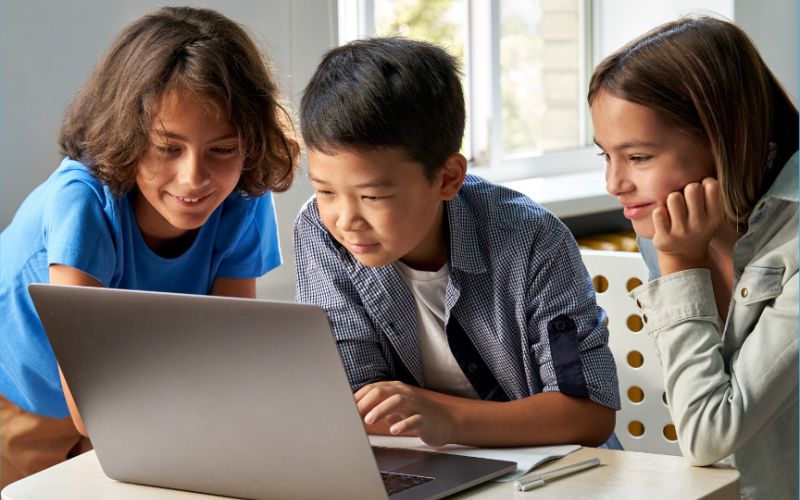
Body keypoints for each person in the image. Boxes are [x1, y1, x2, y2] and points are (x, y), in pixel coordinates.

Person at [0, 6, 299, 486]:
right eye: (167, 147)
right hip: (23, 391)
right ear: (127, 133)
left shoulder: (243, 196)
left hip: (131, 384)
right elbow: (92, 408)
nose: (195, 178)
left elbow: (227, 350)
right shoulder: (83, 203)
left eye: (222, 150)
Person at [294, 37, 619, 448]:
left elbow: (588, 415)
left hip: (554, 471)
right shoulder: (319, 230)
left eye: (372, 197)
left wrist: (446, 418)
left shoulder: (532, 239)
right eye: (325, 191)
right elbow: (355, 404)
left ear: (448, 178)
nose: (345, 219)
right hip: (419, 466)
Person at [589, 15, 798, 499]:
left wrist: (681, 263)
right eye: (606, 155)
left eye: (638, 158)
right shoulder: (667, 228)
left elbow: (708, 433)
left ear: (724, 138)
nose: (614, 184)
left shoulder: (676, 244)